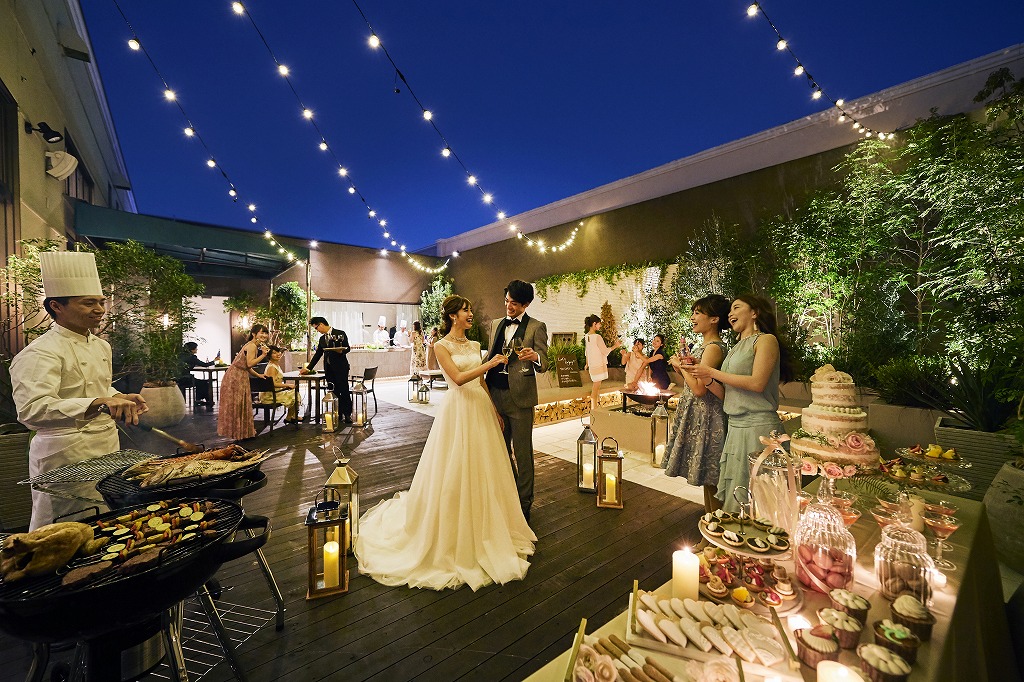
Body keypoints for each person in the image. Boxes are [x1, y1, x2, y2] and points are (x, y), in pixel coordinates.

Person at [355, 295, 536, 590]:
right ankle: (455, 530)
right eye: (466, 310)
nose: (470, 314)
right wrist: (490, 364)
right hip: (458, 410)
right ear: (453, 316)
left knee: (485, 467)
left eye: (470, 310)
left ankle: (489, 524)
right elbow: (459, 378)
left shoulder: (475, 345)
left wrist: (494, 410)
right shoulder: (440, 346)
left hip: (480, 409)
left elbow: (480, 384)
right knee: (455, 466)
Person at [10, 251, 148, 530]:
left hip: (105, 446)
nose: (99, 309)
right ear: (56, 306)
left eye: (101, 302)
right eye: (88, 303)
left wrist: (117, 397)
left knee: (106, 520)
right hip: (64, 454)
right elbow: (32, 410)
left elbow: (96, 386)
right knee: (63, 526)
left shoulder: (100, 345)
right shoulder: (39, 352)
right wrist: (98, 401)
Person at [683, 295, 795, 512]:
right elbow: (727, 395)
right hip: (735, 429)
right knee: (736, 497)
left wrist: (711, 372)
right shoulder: (735, 348)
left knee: (760, 500)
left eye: (736, 308)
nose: (730, 314)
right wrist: (703, 375)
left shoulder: (765, 340)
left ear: (754, 312)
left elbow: (757, 383)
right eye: (730, 311)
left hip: (758, 429)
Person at [484, 280, 549, 521]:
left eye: (514, 303)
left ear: (526, 304)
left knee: (523, 454)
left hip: (520, 399)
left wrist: (535, 357)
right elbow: (490, 356)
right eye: (506, 301)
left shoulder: (536, 327)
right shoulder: (495, 324)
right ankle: (509, 495)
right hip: (495, 395)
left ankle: (524, 504)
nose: (508, 306)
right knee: (500, 452)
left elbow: (545, 363)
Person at [664, 295, 730, 513]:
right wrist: (682, 368)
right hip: (701, 413)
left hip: (708, 416)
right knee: (708, 478)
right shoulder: (706, 346)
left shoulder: (713, 348)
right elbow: (694, 383)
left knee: (712, 478)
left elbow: (700, 389)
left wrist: (680, 365)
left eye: (698, 313)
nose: (693, 317)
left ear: (714, 319)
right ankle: (711, 522)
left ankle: (717, 525)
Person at [218, 324, 269, 441]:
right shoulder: (252, 346)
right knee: (238, 404)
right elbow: (250, 364)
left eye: (266, 333)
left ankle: (242, 433)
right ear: (254, 334)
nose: (264, 335)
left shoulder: (252, 345)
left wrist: (258, 375)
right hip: (235, 377)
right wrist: (263, 355)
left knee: (241, 404)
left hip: (239, 375)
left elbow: (247, 366)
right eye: (261, 332)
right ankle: (240, 433)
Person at [300, 317, 352, 423]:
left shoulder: (340, 333)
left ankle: (347, 414)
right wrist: (308, 368)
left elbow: (347, 348)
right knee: (334, 391)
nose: (317, 330)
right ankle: (337, 413)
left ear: (321, 324)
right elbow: (318, 354)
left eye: (316, 328)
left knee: (344, 390)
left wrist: (340, 351)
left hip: (341, 367)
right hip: (329, 369)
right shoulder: (322, 339)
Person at [583, 314, 618, 412]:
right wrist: (616, 346)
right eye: (599, 324)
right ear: (594, 324)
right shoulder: (597, 337)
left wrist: (587, 363)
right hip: (598, 365)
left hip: (593, 365)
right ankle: (594, 409)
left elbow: (587, 352)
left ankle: (596, 407)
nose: (600, 326)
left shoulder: (587, 336)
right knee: (596, 387)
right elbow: (605, 351)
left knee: (596, 386)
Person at [259, 346, 299, 422]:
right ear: (269, 355)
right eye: (274, 353)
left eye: (278, 352)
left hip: (275, 392)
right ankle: (290, 417)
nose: (278, 354)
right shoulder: (271, 367)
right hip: (270, 395)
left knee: (294, 393)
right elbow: (273, 384)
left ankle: (291, 416)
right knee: (294, 395)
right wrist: (287, 385)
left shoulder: (276, 365)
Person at [177, 341, 215, 408]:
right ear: (192, 349)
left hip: (178, 379)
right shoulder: (192, 357)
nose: (197, 349)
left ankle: (199, 400)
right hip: (186, 379)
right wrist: (214, 361)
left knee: (200, 382)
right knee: (204, 382)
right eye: (196, 348)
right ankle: (202, 400)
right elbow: (205, 364)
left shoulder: (179, 355)